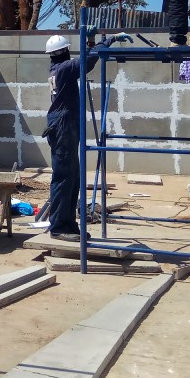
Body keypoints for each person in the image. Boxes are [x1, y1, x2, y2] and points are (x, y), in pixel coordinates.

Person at [43, 29, 131, 242]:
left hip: (63, 122)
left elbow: (85, 58)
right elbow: (89, 60)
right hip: (63, 124)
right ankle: (58, 226)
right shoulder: (64, 68)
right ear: (64, 51)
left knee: (73, 177)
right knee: (64, 177)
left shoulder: (59, 68)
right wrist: (107, 40)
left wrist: (92, 41)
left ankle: (68, 224)